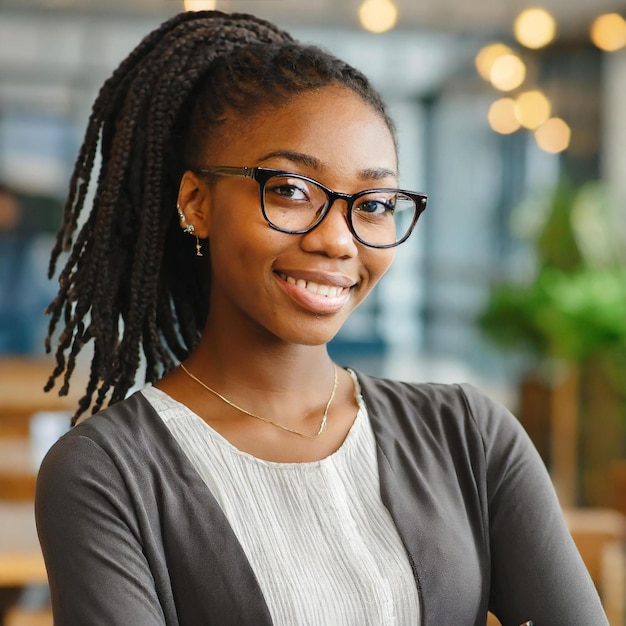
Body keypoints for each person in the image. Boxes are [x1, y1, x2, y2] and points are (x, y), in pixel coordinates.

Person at [35, 10, 608, 626]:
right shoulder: (108, 474)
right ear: (197, 202)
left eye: (375, 203)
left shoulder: (468, 436)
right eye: (288, 189)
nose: (339, 240)